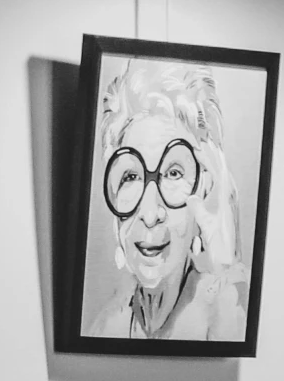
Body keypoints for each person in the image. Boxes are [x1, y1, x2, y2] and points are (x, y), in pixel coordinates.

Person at [87, 60, 248, 343]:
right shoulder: (105, 327)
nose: (150, 214)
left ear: (206, 190)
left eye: (173, 173)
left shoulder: (227, 319)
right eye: (131, 176)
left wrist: (227, 267)